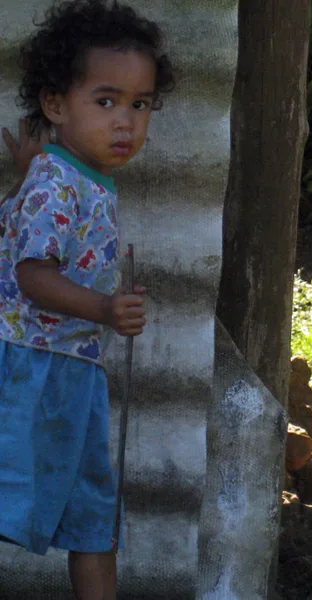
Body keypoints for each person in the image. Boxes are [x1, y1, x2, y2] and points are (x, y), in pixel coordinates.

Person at [0, 1, 174, 599]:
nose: (125, 122)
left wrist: (25, 174)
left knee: (94, 514)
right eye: (106, 102)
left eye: (140, 104)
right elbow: (31, 275)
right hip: (28, 369)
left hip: (73, 375)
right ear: (55, 105)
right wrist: (104, 310)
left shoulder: (70, 177)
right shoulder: (57, 182)